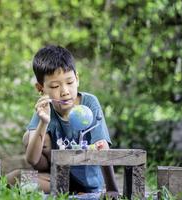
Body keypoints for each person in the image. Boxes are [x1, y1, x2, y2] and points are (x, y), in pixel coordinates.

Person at [7, 45, 118, 194]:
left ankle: (79, 192)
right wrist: (43, 122)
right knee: (17, 173)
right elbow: (32, 160)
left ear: (77, 79)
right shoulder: (45, 108)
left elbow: (103, 146)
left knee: (98, 145)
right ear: (41, 89)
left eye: (70, 82)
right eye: (55, 86)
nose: (65, 91)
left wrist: (112, 189)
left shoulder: (90, 103)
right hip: (58, 179)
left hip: (88, 183)